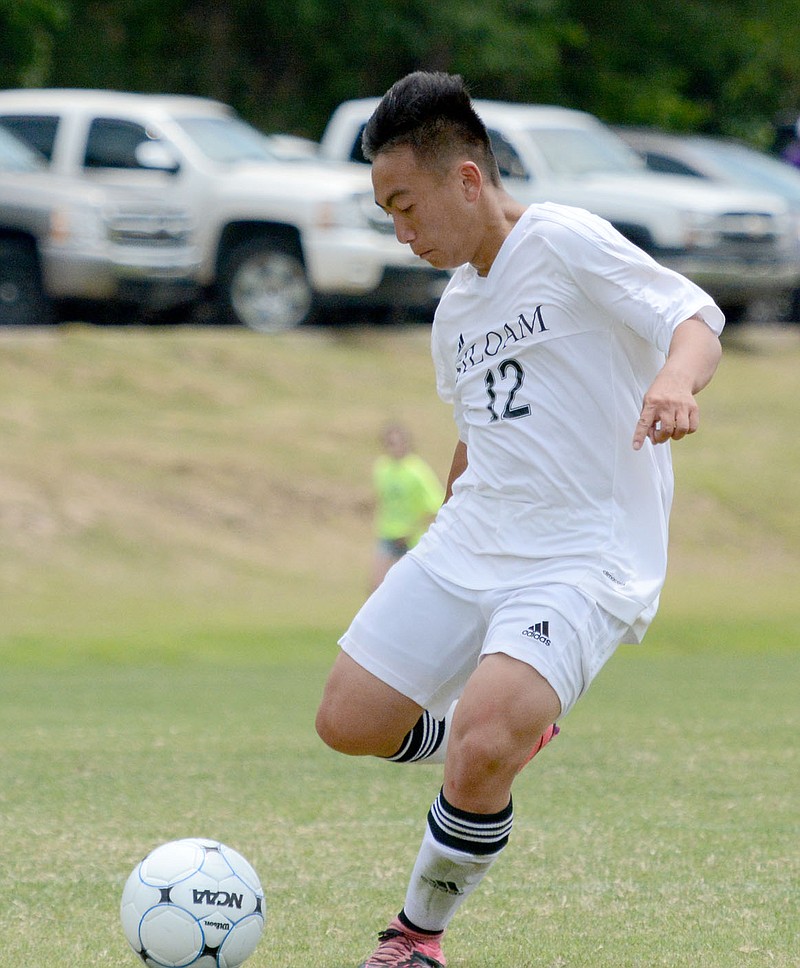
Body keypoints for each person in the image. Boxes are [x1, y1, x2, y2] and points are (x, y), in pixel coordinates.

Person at [315, 71, 723, 968]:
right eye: (387, 212)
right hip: (475, 538)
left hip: (582, 553)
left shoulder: (564, 241)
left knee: (488, 734)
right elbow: (478, 439)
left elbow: (694, 315)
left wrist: (672, 379)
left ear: (467, 179)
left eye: (405, 205)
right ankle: (488, 737)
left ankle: (416, 937)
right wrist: (439, 535)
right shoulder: (455, 309)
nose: (400, 230)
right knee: (349, 720)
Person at [371, 422, 445, 591]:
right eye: (389, 443)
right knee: (375, 587)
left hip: (410, 539)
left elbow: (435, 506)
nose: (393, 448)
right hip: (387, 534)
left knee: (401, 588)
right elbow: (382, 501)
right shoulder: (382, 468)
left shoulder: (417, 471)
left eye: (397, 443)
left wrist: (411, 530)